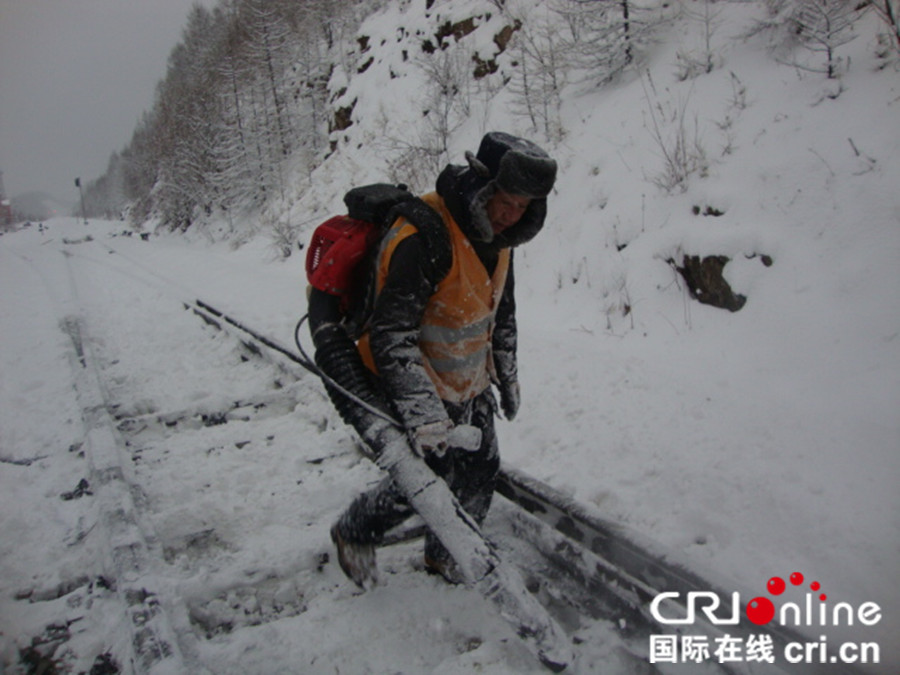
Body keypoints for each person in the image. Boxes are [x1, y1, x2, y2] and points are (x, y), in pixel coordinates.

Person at [329, 131, 557, 587]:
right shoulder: (426, 238)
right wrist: (424, 416)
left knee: (481, 468)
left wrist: (506, 375)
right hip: (410, 381)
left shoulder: (500, 235)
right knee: (428, 477)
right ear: (483, 187)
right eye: (507, 202)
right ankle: (354, 532)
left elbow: (500, 309)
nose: (513, 215)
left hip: (467, 381)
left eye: (523, 207)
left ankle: (447, 550)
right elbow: (393, 337)